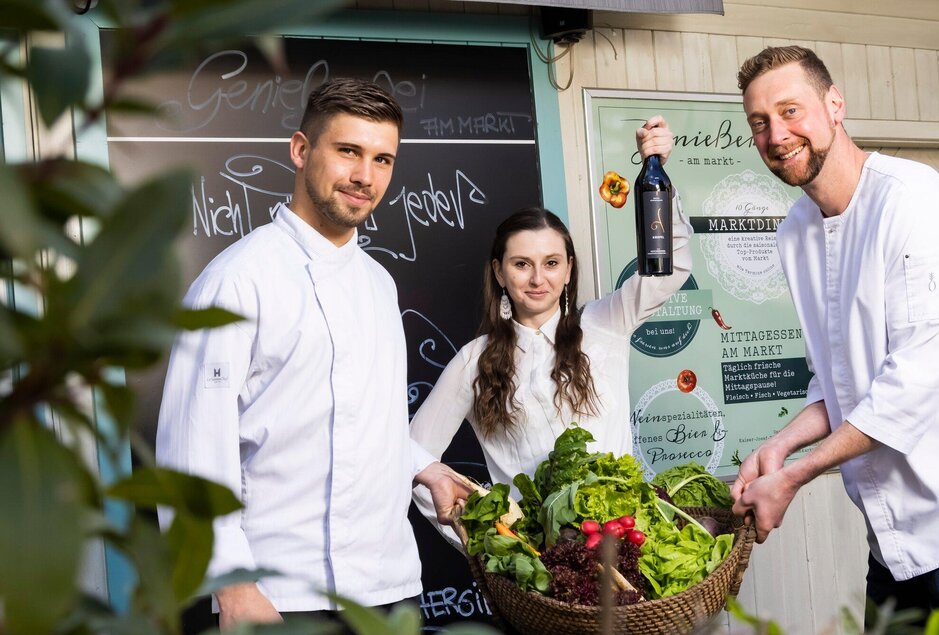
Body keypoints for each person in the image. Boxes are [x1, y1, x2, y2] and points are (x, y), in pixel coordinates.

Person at [729, 46, 939, 633]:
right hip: (896, 527)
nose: (777, 134)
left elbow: (911, 385)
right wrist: (780, 445)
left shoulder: (914, 201)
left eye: (790, 110)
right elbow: (843, 378)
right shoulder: (795, 233)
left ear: (835, 105)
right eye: (760, 122)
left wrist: (795, 476)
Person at [155, 77, 473, 631]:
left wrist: (423, 468)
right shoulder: (236, 281)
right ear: (301, 151)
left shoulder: (378, 283)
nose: (364, 177)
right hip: (277, 595)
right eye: (348, 151)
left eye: (383, 159)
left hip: (385, 585)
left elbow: (362, 418)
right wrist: (231, 585)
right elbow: (192, 448)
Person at [409, 117, 691, 542]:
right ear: (499, 273)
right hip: (541, 578)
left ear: (568, 270)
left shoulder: (606, 323)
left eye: (551, 263)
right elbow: (414, 457)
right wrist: (486, 547)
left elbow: (673, 267)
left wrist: (658, 172)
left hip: (627, 547)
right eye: (521, 264)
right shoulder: (474, 360)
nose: (537, 278)